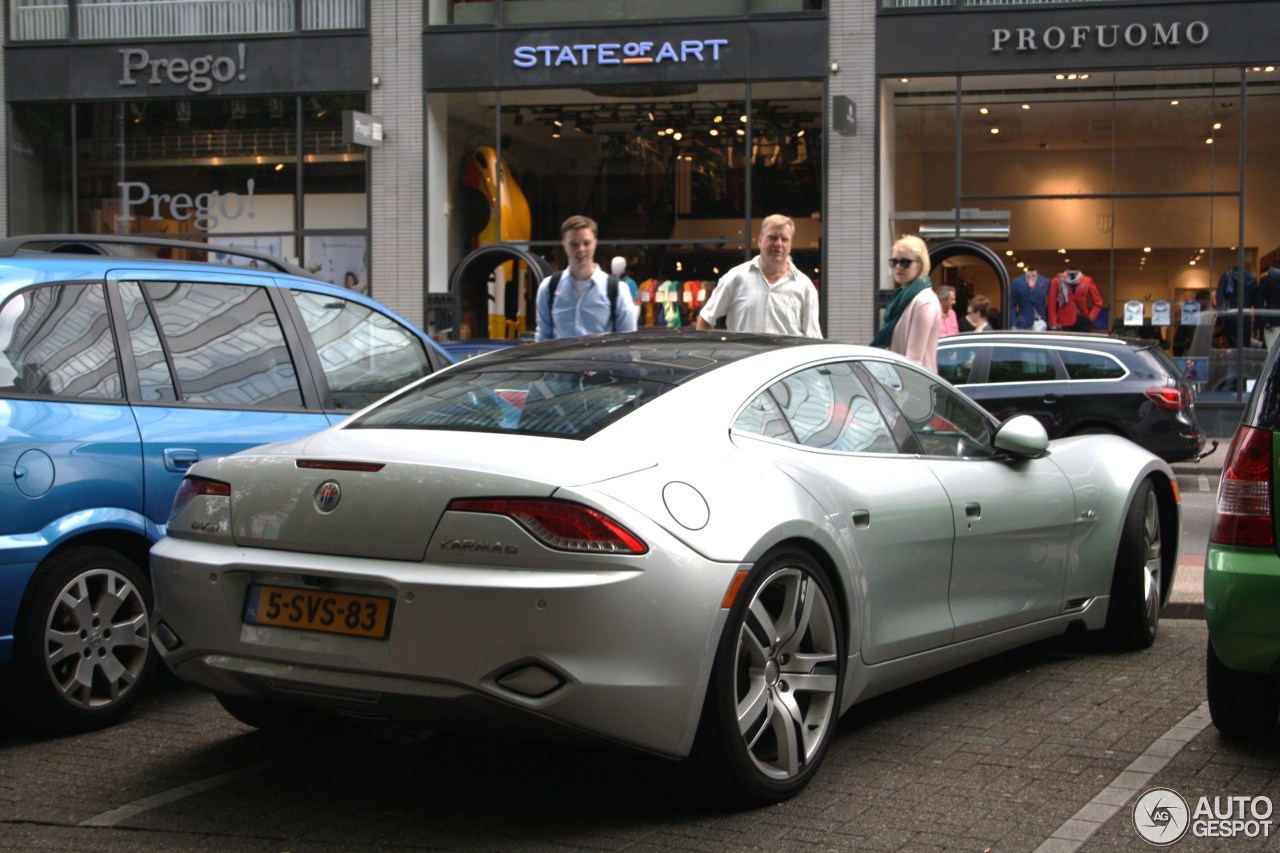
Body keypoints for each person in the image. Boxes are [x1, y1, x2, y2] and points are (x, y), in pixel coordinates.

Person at [695, 214, 821, 337]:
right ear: (760, 241)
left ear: (790, 245)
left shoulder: (805, 287)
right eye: (772, 237)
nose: (778, 244)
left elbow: (813, 338)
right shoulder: (735, 278)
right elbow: (705, 319)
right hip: (744, 358)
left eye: (784, 239)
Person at [534, 215, 637, 341]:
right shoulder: (548, 288)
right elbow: (543, 338)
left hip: (601, 360)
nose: (581, 249)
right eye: (574, 244)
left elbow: (627, 341)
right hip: (560, 361)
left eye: (586, 243)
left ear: (595, 243)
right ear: (564, 244)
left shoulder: (617, 290)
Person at [870, 235, 940, 372]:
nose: (898, 267)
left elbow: (914, 360)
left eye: (905, 262)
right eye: (894, 262)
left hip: (914, 386)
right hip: (898, 383)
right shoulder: (902, 298)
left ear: (920, 264)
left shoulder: (924, 302)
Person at [1049, 267, 1104, 332]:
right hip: (1064, 320)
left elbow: (1098, 302)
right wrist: (1053, 323)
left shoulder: (1087, 281)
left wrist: (1090, 317)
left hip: (1083, 319)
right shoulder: (1057, 281)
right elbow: (1051, 304)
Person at [1257, 265, 1280, 348]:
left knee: (1272, 352)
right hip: (1272, 321)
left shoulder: (1265, 281)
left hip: (1272, 321)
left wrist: (1265, 321)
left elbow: (1259, 302)